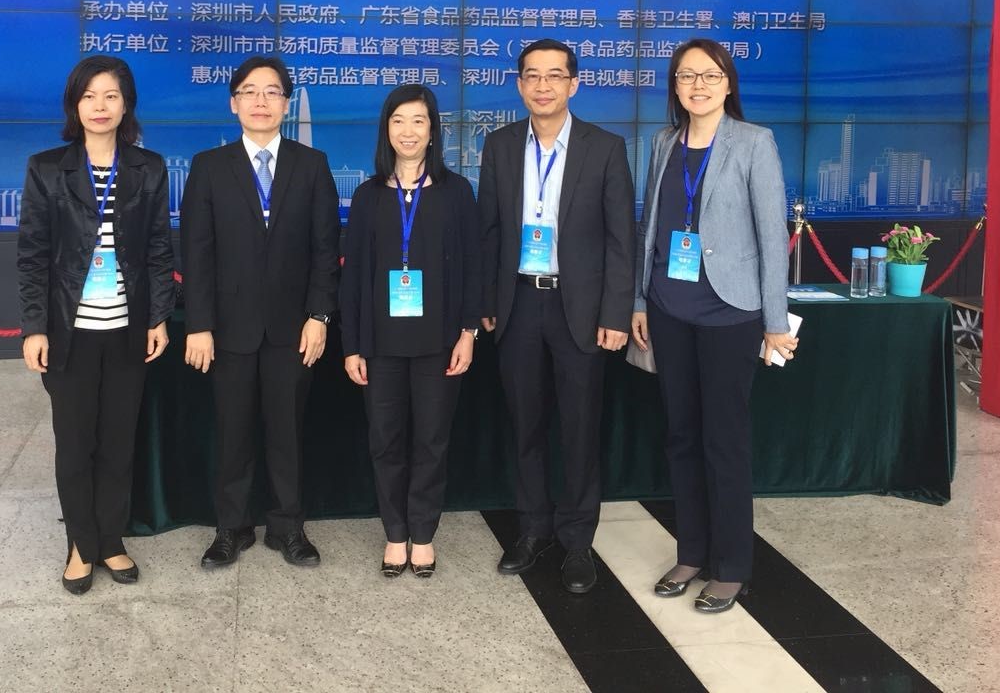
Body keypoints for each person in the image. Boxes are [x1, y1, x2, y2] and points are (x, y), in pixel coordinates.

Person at [630, 38, 797, 614]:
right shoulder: (663, 142)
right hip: (668, 309)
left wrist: (775, 322)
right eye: (686, 76)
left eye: (709, 75)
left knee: (723, 440)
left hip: (730, 313)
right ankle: (692, 552)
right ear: (674, 86)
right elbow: (649, 227)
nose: (697, 85)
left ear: (728, 83)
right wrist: (639, 300)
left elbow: (772, 237)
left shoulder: (754, 143)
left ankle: (731, 566)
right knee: (681, 435)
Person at [479, 38, 635, 595]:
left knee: (579, 427)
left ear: (574, 83)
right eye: (532, 75)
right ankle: (532, 530)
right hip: (518, 302)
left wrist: (616, 312)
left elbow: (621, 239)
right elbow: (488, 230)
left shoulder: (605, 148)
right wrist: (486, 302)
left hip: (581, 308)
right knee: (525, 425)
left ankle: (577, 542)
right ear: (519, 84)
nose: (542, 86)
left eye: (554, 75)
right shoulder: (499, 145)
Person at [16, 55, 175, 594]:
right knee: (74, 443)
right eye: (89, 96)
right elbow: (33, 255)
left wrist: (158, 317)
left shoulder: (148, 168)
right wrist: (35, 327)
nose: (100, 106)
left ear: (126, 105)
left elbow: (159, 249)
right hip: (70, 332)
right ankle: (80, 546)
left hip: (128, 330)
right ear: (75, 105)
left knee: (117, 443)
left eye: (111, 95)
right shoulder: (47, 168)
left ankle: (111, 540)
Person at [180, 55, 340, 569]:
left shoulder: (311, 165)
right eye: (250, 91)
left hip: (293, 329)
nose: (261, 101)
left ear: (286, 104)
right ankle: (232, 528)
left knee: (287, 431)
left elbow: (325, 248)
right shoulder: (209, 166)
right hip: (228, 329)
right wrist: (199, 325)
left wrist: (319, 315)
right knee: (233, 431)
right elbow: (196, 252)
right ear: (234, 103)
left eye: (272, 92)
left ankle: (288, 528)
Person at [340, 84, 480, 578]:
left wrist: (468, 332)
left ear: (433, 131)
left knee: (431, 440)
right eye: (398, 120)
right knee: (386, 440)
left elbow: (473, 266)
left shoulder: (456, 192)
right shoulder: (368, 195)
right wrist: (352, 346)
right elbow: (353, 277)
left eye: (419, 121)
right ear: (386, 130)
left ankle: (423, 534)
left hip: (439, 341)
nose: (408, 131)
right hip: (380, 344)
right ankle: (394, 533)